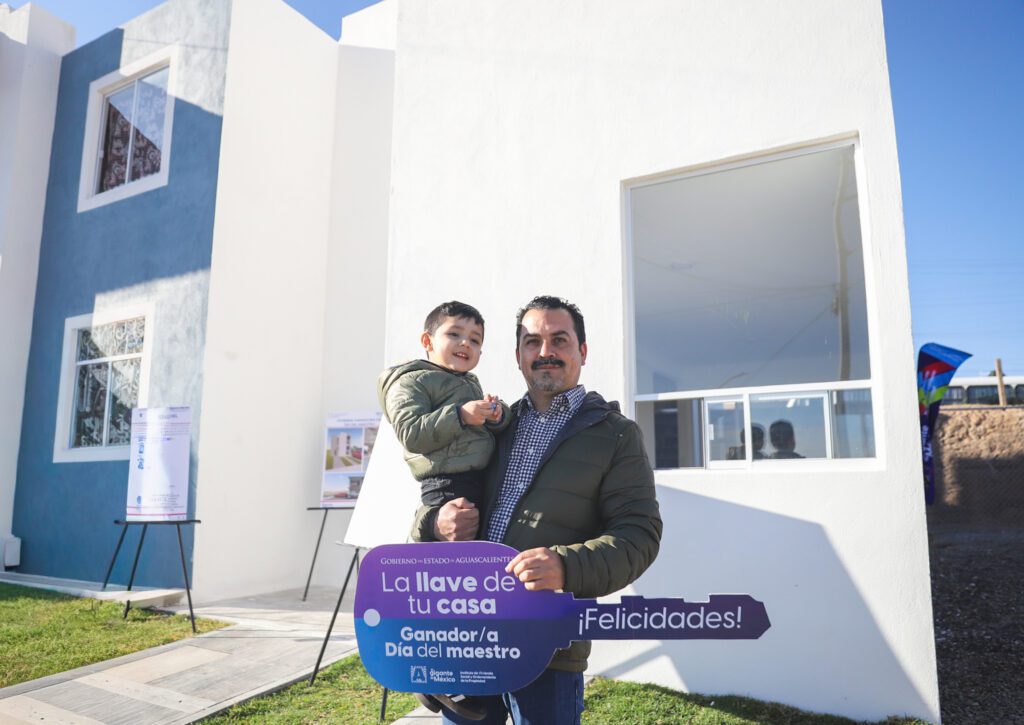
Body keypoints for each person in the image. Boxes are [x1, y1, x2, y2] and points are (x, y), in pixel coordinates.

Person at [411, 295, 663, 725]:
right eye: (532, 342)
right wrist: (435, 523)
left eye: (559, 340)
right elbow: (438, 495)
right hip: (469, 636)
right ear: (518, 356)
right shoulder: (492, 426)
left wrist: (564, 567)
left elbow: (639, 536)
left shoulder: (617, 435)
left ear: (582, 351)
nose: (545, 352)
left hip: (549, 646)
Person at [377, 300, 510, 719]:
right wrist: (462, 414)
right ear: (427, 340)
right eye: (455, 334)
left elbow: (480, 434)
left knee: (468, 591)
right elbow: (412, 432)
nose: (465, 344)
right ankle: (432, 674)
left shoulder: (466, 382)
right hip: (447, 489)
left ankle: (458, 675)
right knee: (445, 589)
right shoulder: (411, 381)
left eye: (475, 340)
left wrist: (496, 415)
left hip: (475, 485)